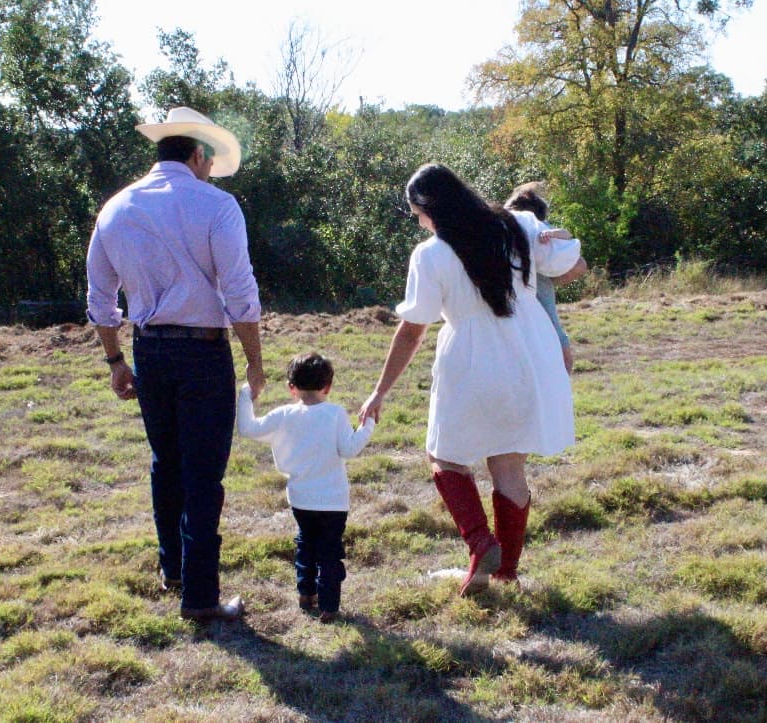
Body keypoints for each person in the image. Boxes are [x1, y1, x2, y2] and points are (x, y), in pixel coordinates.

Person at [359, 164, 580, 595]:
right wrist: (563, 237)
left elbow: (414, 327)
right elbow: (572, 266)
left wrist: (380, 389)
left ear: (428, 209)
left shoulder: (431, 253)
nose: (419, 222)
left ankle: (481, 543)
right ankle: (506, 573)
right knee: (509, 466)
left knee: (444, 457)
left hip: (472, 358)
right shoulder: (519, 223)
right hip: (531, 352)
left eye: (416, 214)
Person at [86, 106, 265, 621]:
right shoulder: (218, 206)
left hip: (148, 349)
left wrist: (115, 361)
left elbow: (100, 298)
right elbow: (238, 291)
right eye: (209, 158)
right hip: (204, 350)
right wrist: (254, 360)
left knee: (167, 464)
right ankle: (202, 597)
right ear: (197, 153)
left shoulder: (116, 208)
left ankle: (175, 569)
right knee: (204, 474)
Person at [237, 352, 375, 622]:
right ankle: (329, 606)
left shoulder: (284, 415)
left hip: (300, 499)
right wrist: (368, 424)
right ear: (328, 386)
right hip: (333, 501)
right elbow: (349, 449)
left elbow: (247, 428)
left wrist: (246, 394)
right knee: (329, 552)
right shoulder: (334, 413)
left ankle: (305, 593)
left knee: (306, 544)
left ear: (292, 388)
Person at [504, 182, 588, 374]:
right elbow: (579, 265)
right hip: (537, 286)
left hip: (525, 289)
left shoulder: (522, 226)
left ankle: (562, 372)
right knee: (551, 326)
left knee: (546, 326)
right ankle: (563, 373)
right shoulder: (536, 226)